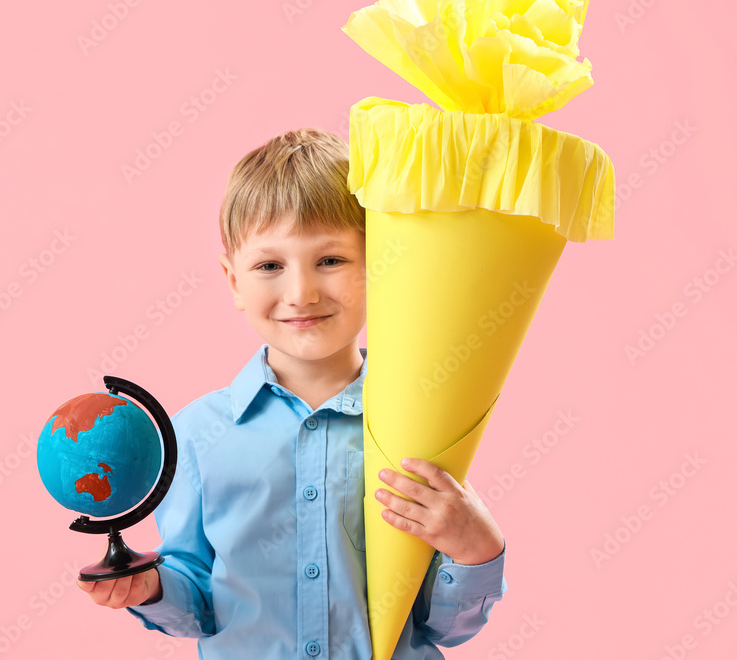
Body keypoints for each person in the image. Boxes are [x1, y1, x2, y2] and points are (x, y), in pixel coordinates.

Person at [77, 128, 507, 659]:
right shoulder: (196, 434)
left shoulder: (417, 424)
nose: (300, 293)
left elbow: (440, 627)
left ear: (380, 265)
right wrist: (153, 589)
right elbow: (198, 593)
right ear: (234, 280)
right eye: (269, 266)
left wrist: (475, 553)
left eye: (330, 260)